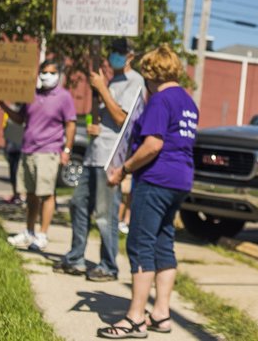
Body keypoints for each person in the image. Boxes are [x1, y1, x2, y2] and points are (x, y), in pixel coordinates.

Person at [98, 45, 197, 339]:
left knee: (140, 245)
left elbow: (153, 144)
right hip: (180, 180)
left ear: (151, 72)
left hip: (155, 180)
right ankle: (161, 313)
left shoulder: (160, 100)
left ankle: (135, 318)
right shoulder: (188, 101)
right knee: (163, 243)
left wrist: (124, 169)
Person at [54, 37, 145, 282]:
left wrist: (102, 88)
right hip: (94, 156)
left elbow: (122, 119)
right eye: (112, 51)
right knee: (77, 204)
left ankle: (108, 265)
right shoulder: (112, 80)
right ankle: (76, 257)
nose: (115, 55)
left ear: (131, 56)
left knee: (106, 214)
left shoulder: (135, 81)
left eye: (120, 52)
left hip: (111, 158)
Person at [0, 59, 77, 252]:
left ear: (58, 75)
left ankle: (42, 234)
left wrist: (66, 150)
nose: (46, 76)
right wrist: (3, 105)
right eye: (43, 72)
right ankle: (29, 231)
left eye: (51, 72)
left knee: (47, 194)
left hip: (48, 151)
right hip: (28, 150)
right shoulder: (31, 95)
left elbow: (71, 124)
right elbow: (20, 118)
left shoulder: (64, 97)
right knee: (31, 194)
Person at [3, 110, 24, 205]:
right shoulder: (8, 114)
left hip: (22, 149)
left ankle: (20, 196)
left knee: (19, 174)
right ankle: (16, 195)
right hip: (12, 148)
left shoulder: (27, 114)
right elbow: (5, 130)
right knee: (13, 174)